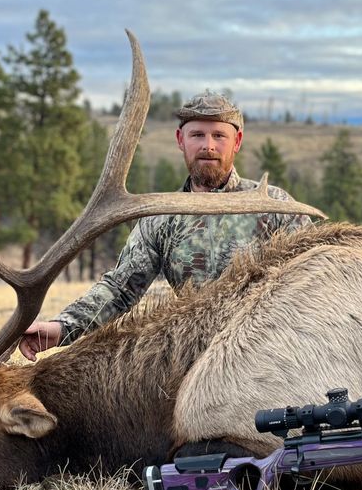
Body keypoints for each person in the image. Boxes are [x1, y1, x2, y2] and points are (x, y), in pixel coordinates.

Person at [19, 91, 312, 361]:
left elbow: (314, 278)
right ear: (180, 140)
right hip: (197, 359)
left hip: (271, 354)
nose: (208, 146)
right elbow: (121, 288)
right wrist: (61, 328)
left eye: (218, 135)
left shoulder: (275, 206)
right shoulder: (160, 217)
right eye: (197, 134)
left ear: (236, 142)